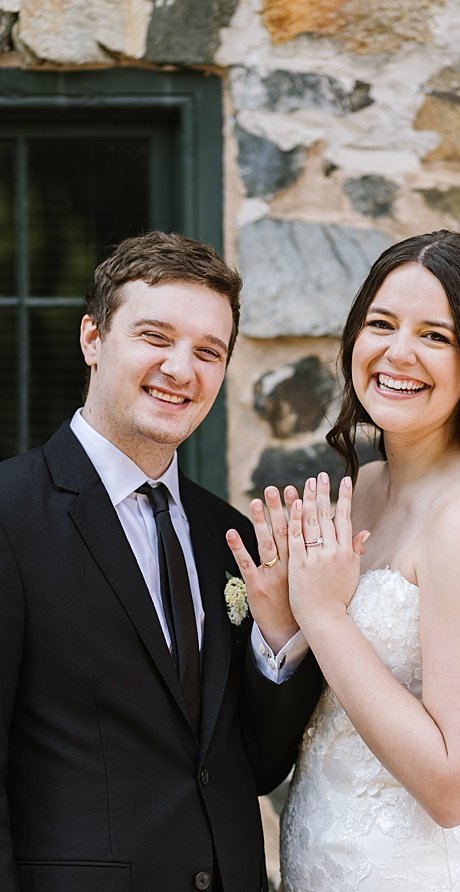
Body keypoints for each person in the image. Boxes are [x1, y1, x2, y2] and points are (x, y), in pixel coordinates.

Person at [234, 231, 460, 890]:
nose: (398, 353)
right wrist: (284, 627)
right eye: (381, 324)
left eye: (436, 335)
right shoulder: (364, 488)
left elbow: (457, 786)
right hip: (324, 860)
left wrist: (325, 617)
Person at [0, 232, 323, 890]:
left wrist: (280, 641)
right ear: (93, 339)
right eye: (156, 337)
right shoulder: (8, 514)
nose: (183, 369)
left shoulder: (230, 537)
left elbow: (252, 768)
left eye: (209, 351)